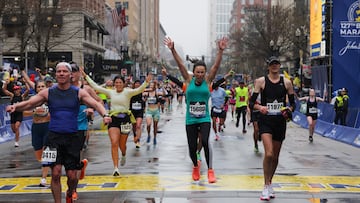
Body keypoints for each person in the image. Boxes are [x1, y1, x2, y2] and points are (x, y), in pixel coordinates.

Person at [6, 62, 110, 203]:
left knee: (72, 176)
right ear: (56, 74)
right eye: (58, 71)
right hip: (53, 137)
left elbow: (96, 103)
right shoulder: (48, 92)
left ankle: (70, 191)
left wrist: (105, 115)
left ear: (70, 74)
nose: (61, 73)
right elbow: (30, 103)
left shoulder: (78, 92)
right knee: (55, 173)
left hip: (72, 137)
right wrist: (15, 106)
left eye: (64, 71)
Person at [164, 36, 228, 183]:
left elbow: (216, 67)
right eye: (197, 72)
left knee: (205, 141)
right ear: (194, 73)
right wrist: (173, 49)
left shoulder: (208, 81)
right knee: (192, 147)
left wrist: (220, 51)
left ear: (205, 73)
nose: (200, 74)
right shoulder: (188, 80)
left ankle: (211, 170)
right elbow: (180, 65)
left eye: (202, 72)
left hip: (204, 118)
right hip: (191, 119)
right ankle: (195, 166)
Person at [82, 69, 152, 176]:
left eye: (120, 83)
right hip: (113, 119)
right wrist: (85, 76)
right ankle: (115, 168)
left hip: (125, 119)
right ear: (114, 84)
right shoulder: (110, 92)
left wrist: (146, 82)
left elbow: (139, 89)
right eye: (116, 83)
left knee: (122, 145)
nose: (118, 85)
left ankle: (123, 154)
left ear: (124, 84)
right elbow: (96, 87)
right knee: (114, 142)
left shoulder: (128, 92)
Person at [249, 56, 295, 201]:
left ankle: (270, 183)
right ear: (268, 66)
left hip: (280, 122)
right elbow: (251, 103)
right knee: (268, 154)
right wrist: (260, 107)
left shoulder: (287, 83)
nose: (274, 66)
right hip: (266, 121)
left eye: (277, 64)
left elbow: (293, 104)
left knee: (275, 157)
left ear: (280, 66)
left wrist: (288, 109)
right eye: (272, 64)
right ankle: (265, 185)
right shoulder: (261, 82)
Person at [21, 69, 50, 187]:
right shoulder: (33, 100)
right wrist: (34, 111)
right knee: (39, 154)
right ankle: (50, 165)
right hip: (36, 127)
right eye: (39, 87)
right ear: (36, 89)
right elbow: (24, 113)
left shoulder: (50, 99)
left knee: (46, 152)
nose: (41, 88)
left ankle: (43, 178)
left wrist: (48, 112)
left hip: (47, 126)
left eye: (43, 86)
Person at [2, 78, 29, 147]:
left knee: (17, 127)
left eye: (17, 89)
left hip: (19, 113)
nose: (16, 91)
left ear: (20, 90)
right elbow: (4, 90)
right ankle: (16, 135)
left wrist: (25, 82)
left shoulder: (22, 97)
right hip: (13, 114)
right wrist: (5, 83)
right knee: (14, 130)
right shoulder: (12, 96)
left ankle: (16, 142)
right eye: (15, 90)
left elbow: (28, 90)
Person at [143, 81, 161, 145]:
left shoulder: (157, 92)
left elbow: (164, 94)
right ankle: (148, 135)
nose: (151, 87)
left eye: (152, 86)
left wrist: (162, 88)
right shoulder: (147, 93)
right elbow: (141, 91)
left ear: (154, 86)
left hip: (156, 111)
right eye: (150, 85)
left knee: (155, 126)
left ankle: (155, 138)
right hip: (149, 110)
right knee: (148, 124)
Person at [129, 80, 146, 149]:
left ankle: (138, 141)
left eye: (139, 84)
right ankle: (135, 136)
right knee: (134, 126)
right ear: (134, 84)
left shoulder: (142, 91)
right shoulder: (131, 92)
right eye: (136, 83)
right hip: (132, 111)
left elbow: (149, 91)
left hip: (140, 111)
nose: (137, 85)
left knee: (138, 125)